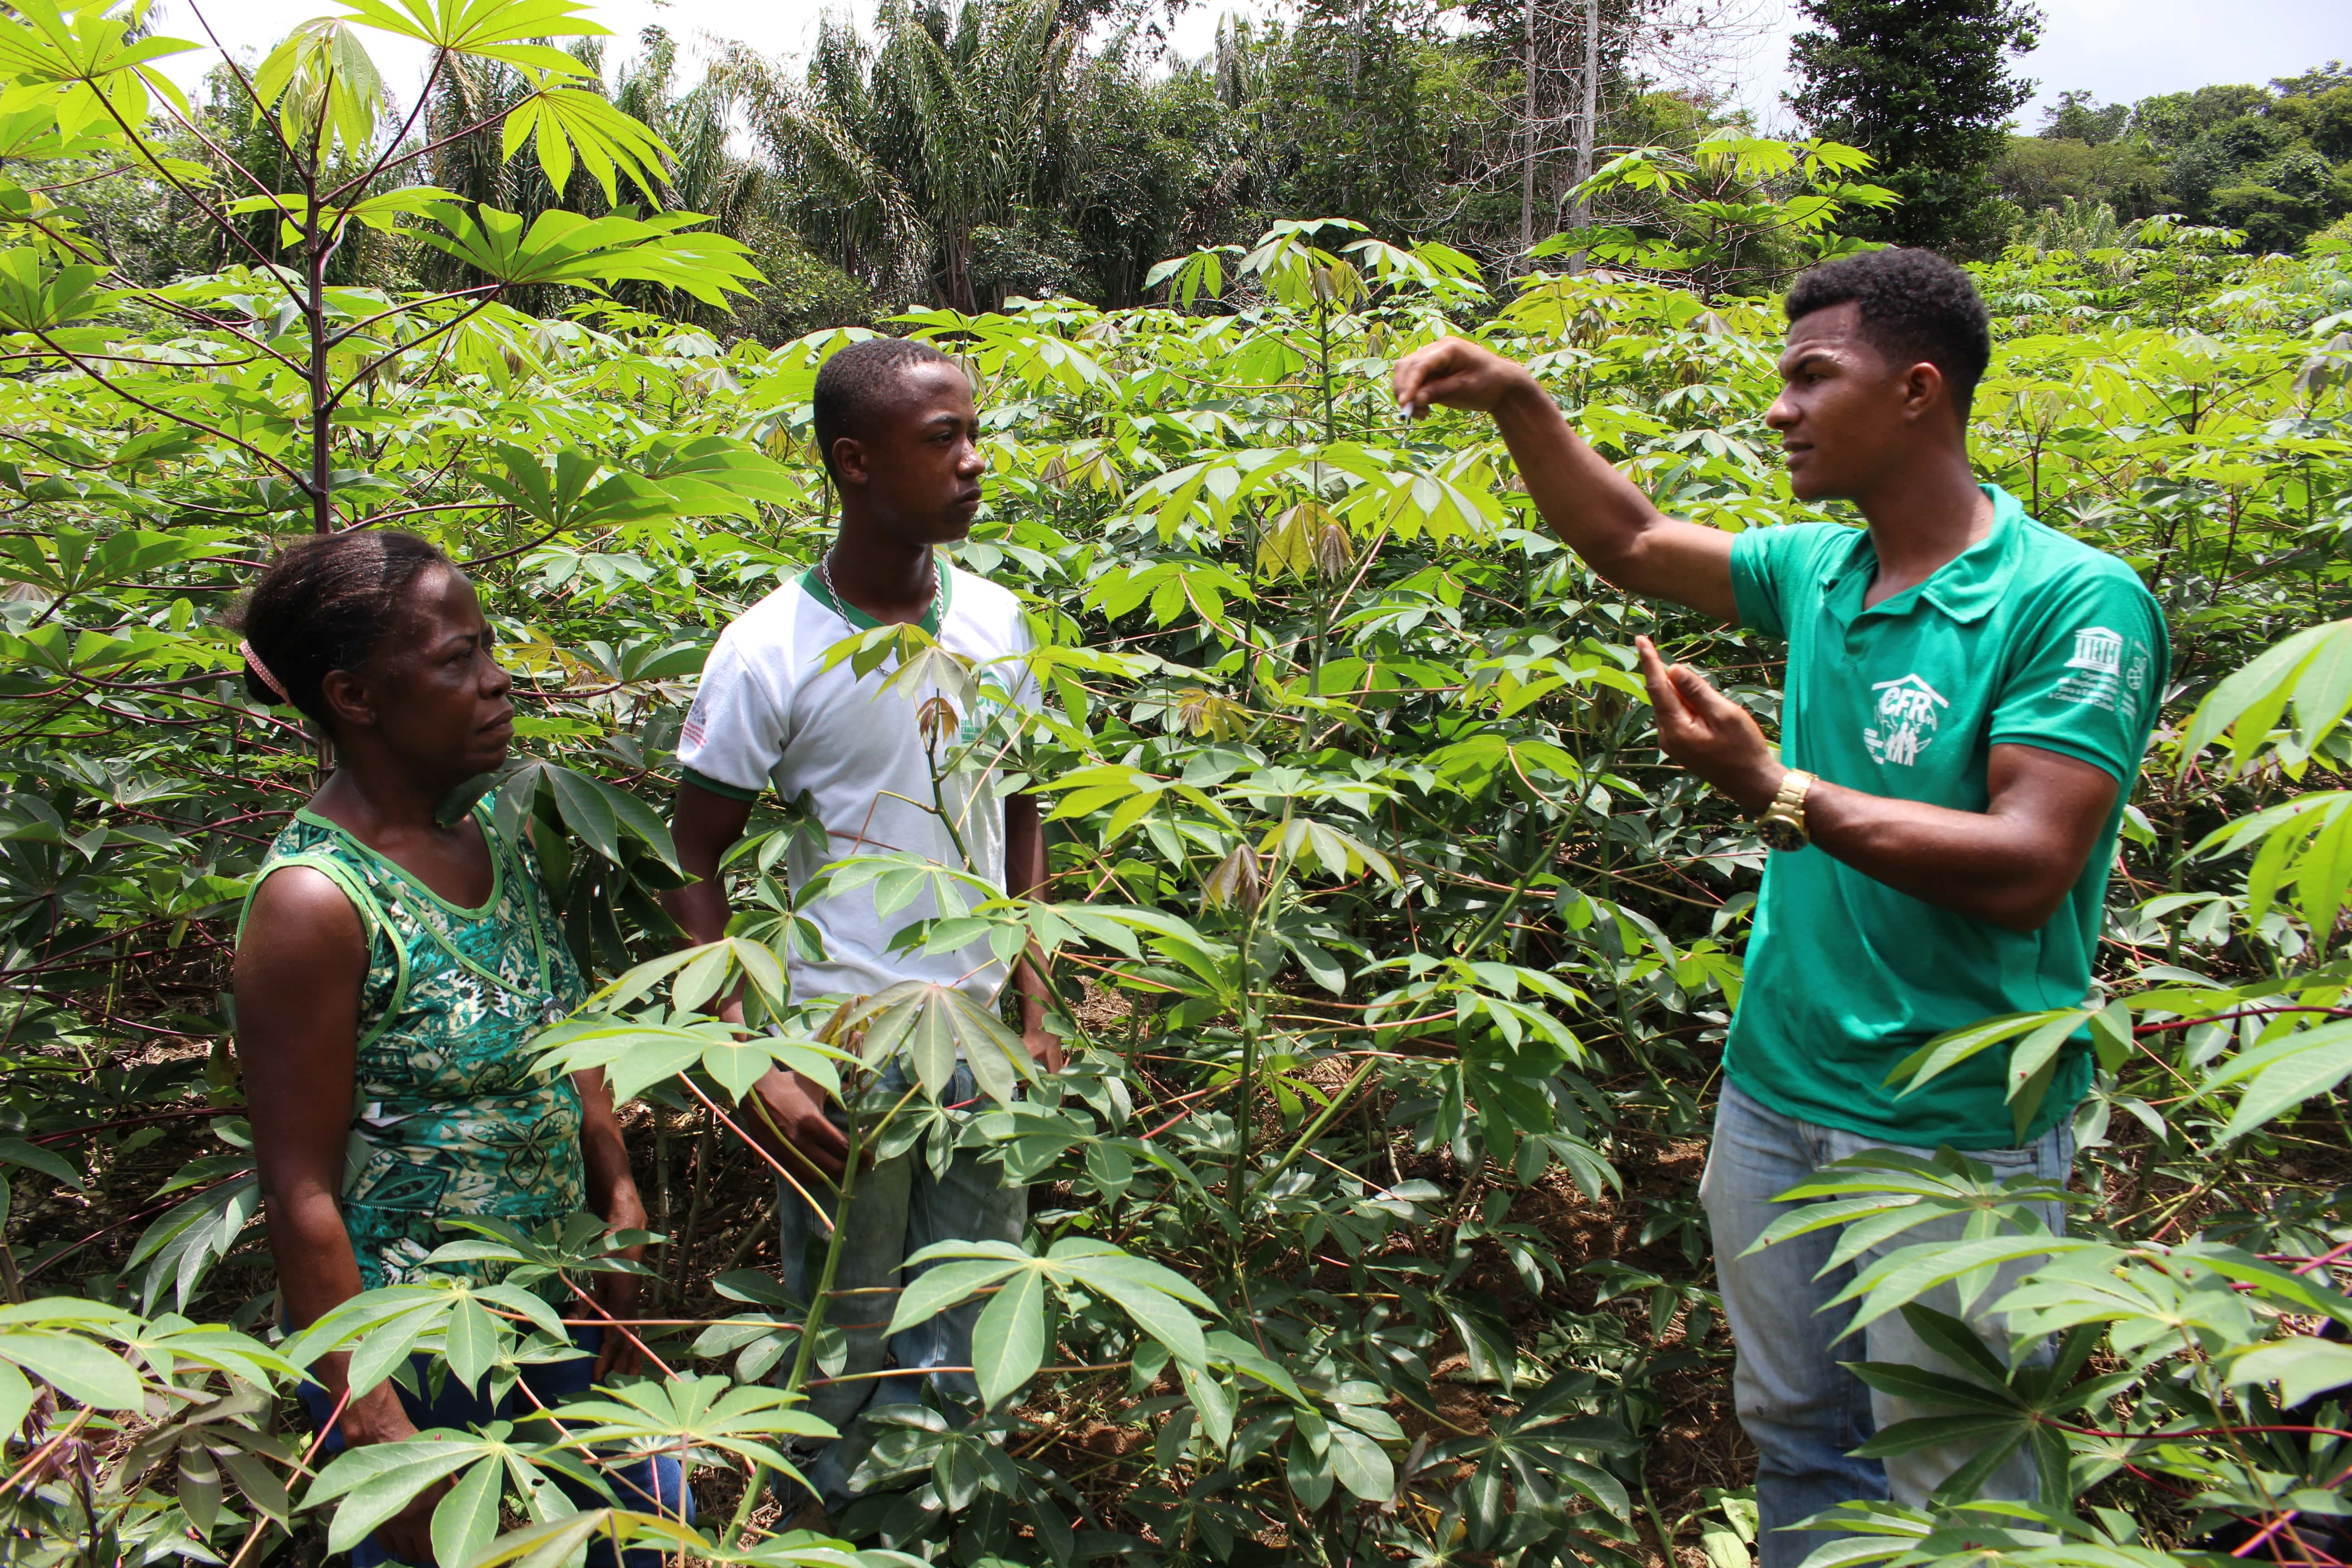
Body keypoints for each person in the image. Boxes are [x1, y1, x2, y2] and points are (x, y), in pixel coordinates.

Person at [1392, 249, 2165, 1559]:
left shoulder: (2071, 599)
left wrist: (1775, 787)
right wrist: (1520, 401)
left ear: (1918, 391)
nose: (1781, 409)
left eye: (1815, 377)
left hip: (1956, 1132)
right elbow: (1629, 541)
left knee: (1964, 1488)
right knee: (1802, 1437)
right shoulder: (1820, 573)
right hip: (1774, 1102)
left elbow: (2032, 858)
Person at [231, 530, 685, 1567]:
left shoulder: (489, 829)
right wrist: (374, 1424)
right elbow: (298, 1190)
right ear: (354, 697)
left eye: (487, 648)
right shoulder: (314, 902)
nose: (497, 683)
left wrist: (612, 1181)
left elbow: (560, 1017)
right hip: (416, 1349)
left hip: (544, 1302)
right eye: (455, 661)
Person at [666, 337, 1058, 1518]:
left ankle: (942, 1523)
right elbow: (692, 858)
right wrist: (752, 1063)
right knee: (844, 1320)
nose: (974, 463)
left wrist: (1041, 1006)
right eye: (943, 440)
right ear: (854, 462)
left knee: (974, 1304)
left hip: (981, 1037)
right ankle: (833, 1530)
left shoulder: (996, 620)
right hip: (843, 1045)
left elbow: (1022, 809)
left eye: (973, 433)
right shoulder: (767, 650)